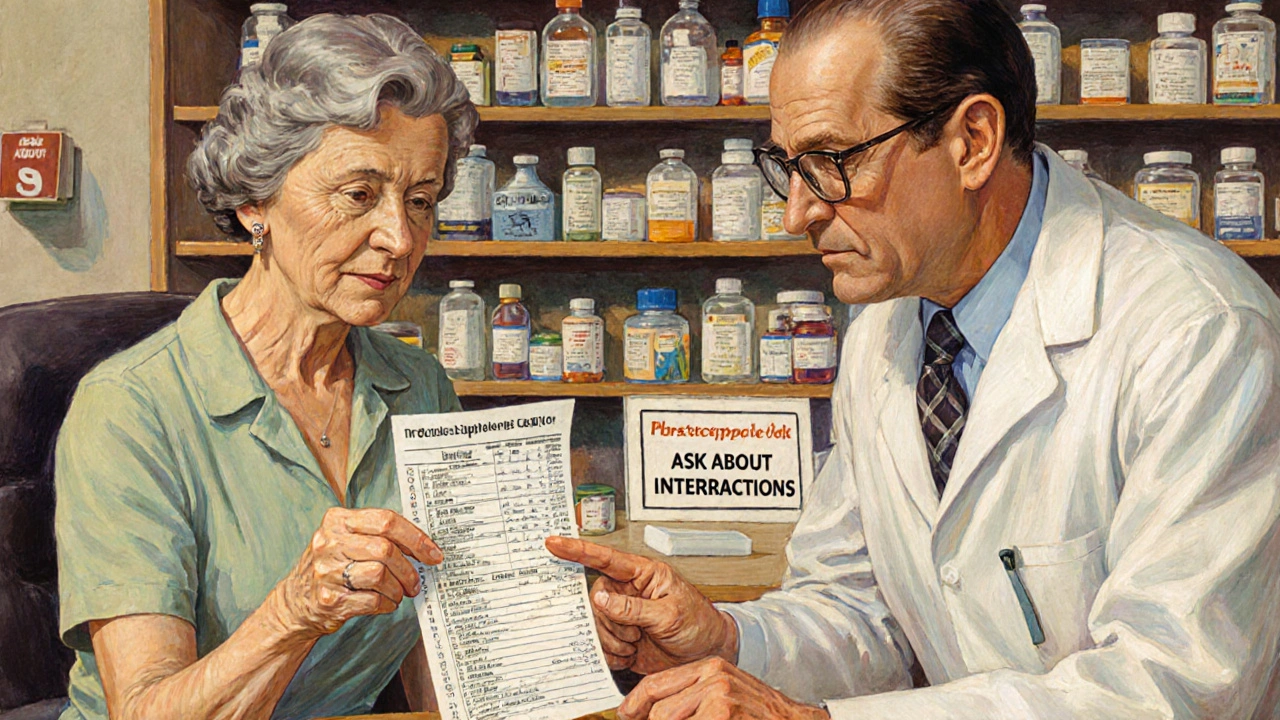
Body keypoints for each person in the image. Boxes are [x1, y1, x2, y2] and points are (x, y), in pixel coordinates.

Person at [547, 0, 1280, 717]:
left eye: (832, 160)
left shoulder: (1200, 331)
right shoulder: (891, 314)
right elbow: (865, 609)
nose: (798, 210)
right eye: (788, 166)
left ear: (972, 142)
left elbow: (1178, 687)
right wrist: (732, 638)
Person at [53, 14, 477, 720]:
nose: (400, 238)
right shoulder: (131, 409)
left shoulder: (418, 386)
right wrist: (299, 608)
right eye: (358, 194)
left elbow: (439, 656)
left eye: (422, 200)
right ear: (256, 200)